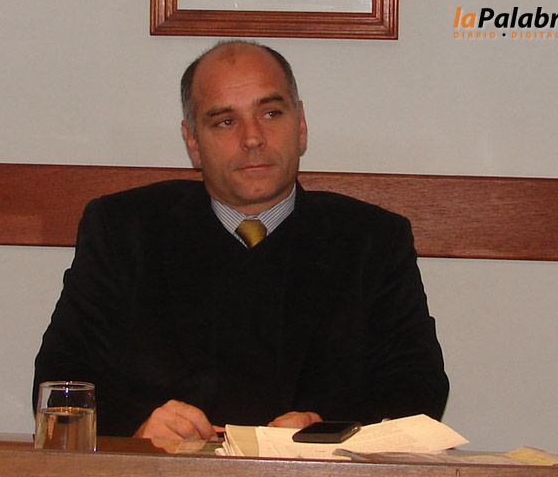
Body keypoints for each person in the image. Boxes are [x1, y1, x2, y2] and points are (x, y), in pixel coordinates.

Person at [33, 40, 449, 442]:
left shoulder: (372, 241)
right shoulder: (123, 231)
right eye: (225, 121)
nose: (252, 138)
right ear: (193, 142)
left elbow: (418, 388)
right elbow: (61, 382)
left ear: (301, 126)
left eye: (271, 113)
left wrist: (330, 432)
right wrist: (137, 432)